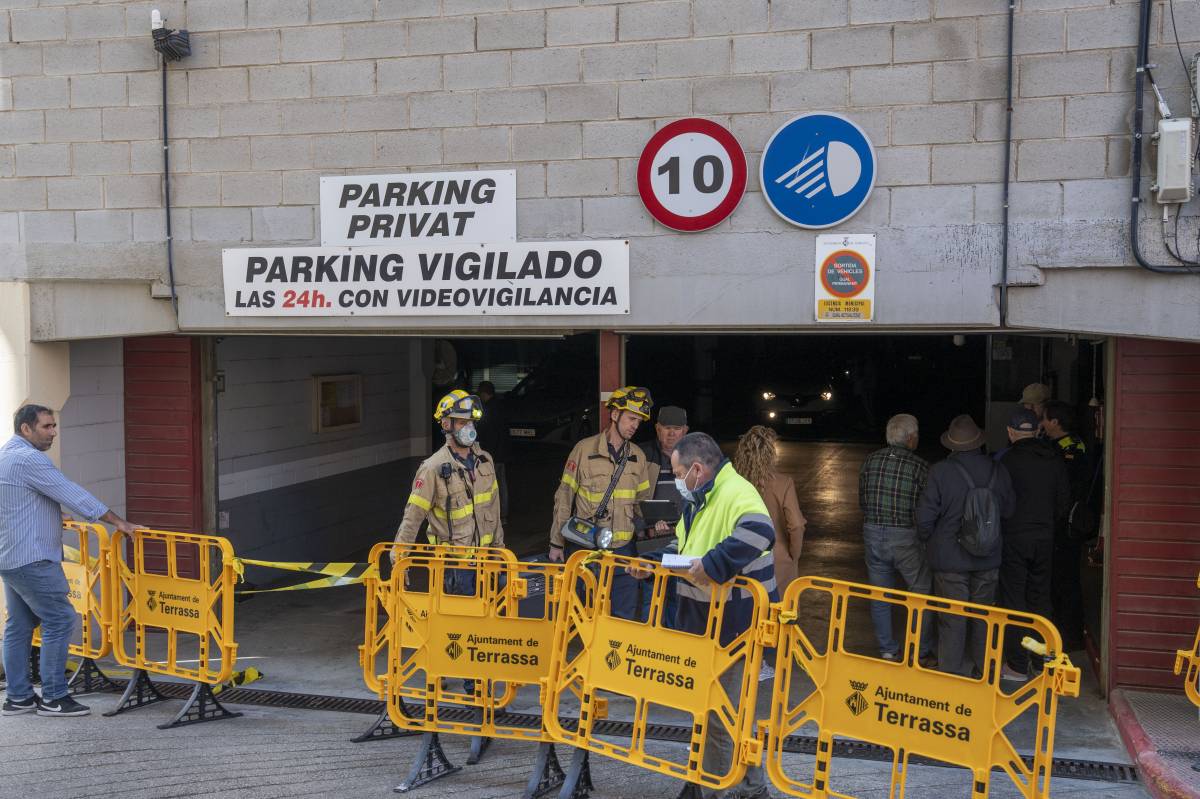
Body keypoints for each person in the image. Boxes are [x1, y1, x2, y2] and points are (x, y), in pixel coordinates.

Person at [634, 432, 775, 799]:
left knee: (721, 715)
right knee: (722, 713)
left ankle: (715, 789)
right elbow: (684, 545)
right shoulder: (701, 498)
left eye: (679, 473)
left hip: (736, 627)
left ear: (697, 469)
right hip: (708, 625)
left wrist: (713, 566)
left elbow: (761, 531)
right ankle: (746, 787)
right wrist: (651, 563)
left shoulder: (735, 491)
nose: (677, 481)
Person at [1, 404, 139, 718]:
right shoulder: (29, 459)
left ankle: (19, 698)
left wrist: (48, 512)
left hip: (10, 557)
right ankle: (53, 698)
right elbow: (72, 492)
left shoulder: (5, 456)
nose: (53, 432)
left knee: (19, 626)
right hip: (33, 558)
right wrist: (119, 522)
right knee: (60, 620)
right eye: (47, 427)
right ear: (26, 428)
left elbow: (19, 500)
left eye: (54, 426)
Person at [917, 414, 1016, 677]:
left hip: (949, 558)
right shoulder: (998, 469)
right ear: (979, 442)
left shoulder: (940, 471)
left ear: (951, 444)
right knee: (983, 617)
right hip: (988, 556)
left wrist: (930, 540)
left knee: (952, 619)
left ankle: (950, 675)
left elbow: (925, 517)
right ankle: (984, 673)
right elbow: (1008, 510)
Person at [548, 386, 653, 620]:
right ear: (614, 415)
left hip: (624, 548)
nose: (635, 425)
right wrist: (556, 543)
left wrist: (656, 526)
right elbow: (564, 497)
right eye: (631, 418)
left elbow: (642, 503)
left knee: (622, 616)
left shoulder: (638, 456)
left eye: (639, 421)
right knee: (584, 615)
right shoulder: (583, 450)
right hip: (586, 547)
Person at [998, 409, 1069, 680]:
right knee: (1041, 597)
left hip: (1014, 538)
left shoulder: (1005, 461)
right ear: (1037, 431)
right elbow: (1063, 502)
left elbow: (999, 502)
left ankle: (1016, 666)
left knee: (1014, 598)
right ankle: (1042, 661)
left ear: (1010, 432)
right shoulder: (1054, 458)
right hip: (1044, 537)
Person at [857, 413, 934, 664]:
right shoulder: (920, 466)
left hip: (872, 533)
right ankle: (920, 650)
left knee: (880, 595)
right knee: (920, 591)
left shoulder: (870, 461)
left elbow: (862, 501)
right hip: (905, 536)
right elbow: (926, 508)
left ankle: (888, 650)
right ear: (911, 438)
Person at [394, 390, 504, 552]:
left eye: (471, 422)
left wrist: (498, 550)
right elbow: (412, 518)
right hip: (452, 565)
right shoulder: (432, 468)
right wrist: (399, 560)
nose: (469, 428)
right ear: (446, 425)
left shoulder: (485, 461)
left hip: (485, 563)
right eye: (462, 423)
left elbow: (494, 509)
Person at [1041, 400, 1092, 650]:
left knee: (1065, 580)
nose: (1042, 423)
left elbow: (1067, 490)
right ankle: (1061, 632)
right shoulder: (1060, 444)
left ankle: (1070, 637)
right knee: (1059, 579)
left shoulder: (1071, 448)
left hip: (1067, 524)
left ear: (1055, 422)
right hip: (1061, 524)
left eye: (1045, 418)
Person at [732, 425, 805, 592]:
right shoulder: (784, 483)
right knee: (779, 613)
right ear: (771, 454)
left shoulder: (734, 483)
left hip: (741, 557)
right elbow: (796, 525)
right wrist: (793, 555)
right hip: (777, 560)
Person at [638, 404, 689, 537]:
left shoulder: (694, 458)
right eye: (667, 428)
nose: (671, 433)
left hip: (685, 533)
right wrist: (647, 528)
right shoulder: (641, 455)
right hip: (651, 534)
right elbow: (631, 500)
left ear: (685, 431)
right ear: (657, 429)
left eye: (677, 429)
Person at [475, 380, 508, 526]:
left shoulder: (487, 411)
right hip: (501, 453)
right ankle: (503, 515)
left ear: (483, 393)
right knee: (501, 484)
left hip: (491, 454)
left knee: (491, 486)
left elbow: (485, 434)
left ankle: (494, 515)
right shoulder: (501, 407)